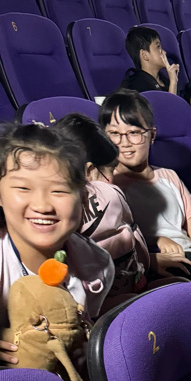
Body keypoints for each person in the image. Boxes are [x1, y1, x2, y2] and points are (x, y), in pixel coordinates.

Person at [0, 123, 114, 365]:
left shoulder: (97, 265)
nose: (42, 206)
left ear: (83, 198)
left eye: (59, 191)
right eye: (23, 188)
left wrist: (85, 345)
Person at [100, 90, 191, 292]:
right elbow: (117, 246)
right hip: (158, 267)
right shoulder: (110, 187)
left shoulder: (169, 176)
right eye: (115, 134)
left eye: (134, 133)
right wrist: (154, 247)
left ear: (152, 135)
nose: (125, 143)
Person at [51, 114, 151, 305]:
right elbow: (141, 251)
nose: (112, 179)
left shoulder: (49, 208)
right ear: (89, 171)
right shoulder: (110, 193)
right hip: (110, 303)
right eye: (110, 171)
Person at [120, 26, 179, 95]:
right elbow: (169, 102)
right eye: (158, 47)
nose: (164, 52)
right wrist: (173, 82)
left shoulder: (165, 81)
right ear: (144, 55)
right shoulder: (137, 86)